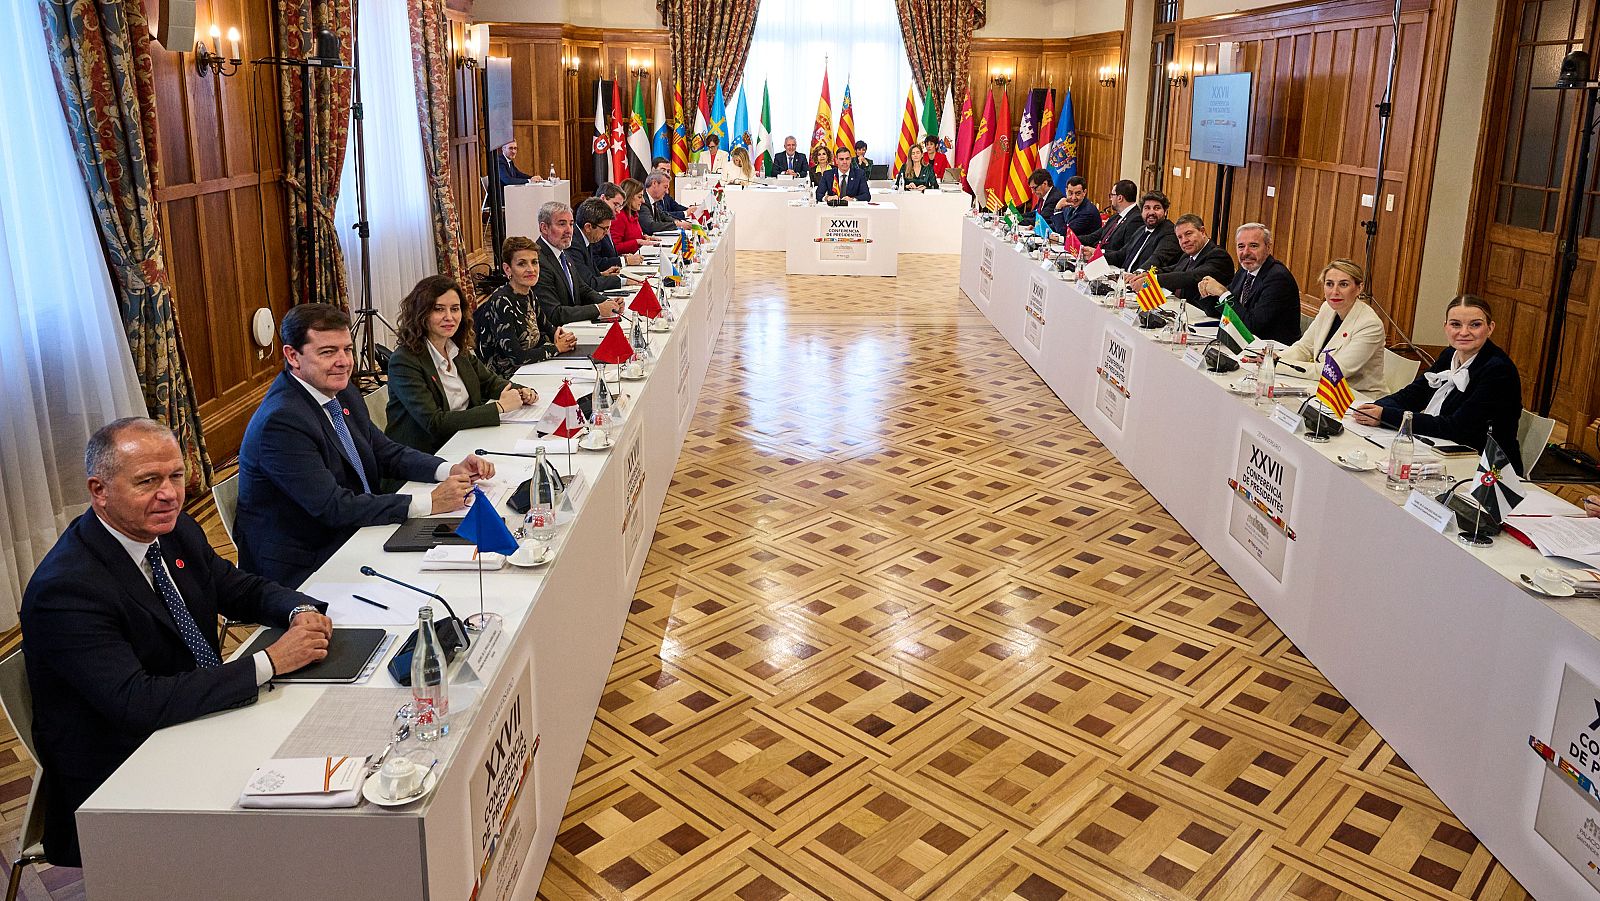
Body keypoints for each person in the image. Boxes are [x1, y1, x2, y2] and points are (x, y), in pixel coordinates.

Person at [22, 417, 334, 866]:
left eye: (176, 476)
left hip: (196, 718)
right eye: (148, 480)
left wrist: (297, 610)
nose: (168, 493)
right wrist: (269, 663)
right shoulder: (67, 589)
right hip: (125, 775)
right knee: (301, 826)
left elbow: (236, 587)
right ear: (99, 490)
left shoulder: (172, 530)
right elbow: (137, 702)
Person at [237, 304, 493, 587]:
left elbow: (384, 451)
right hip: (308, 563)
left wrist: (448, 469)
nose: (344, 362)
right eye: (328, 352)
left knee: (471, 560)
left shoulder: (341, 390)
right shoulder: (282, 422)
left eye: (347, 350)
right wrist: (429, 502)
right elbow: (333, 507)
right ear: (292, 356)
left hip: (357, 530)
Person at [1353, 295, 1524, 469]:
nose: (1464, 332)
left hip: (1486, 468)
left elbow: (1456, 427)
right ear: (1445, 327)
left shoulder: (1499, 370)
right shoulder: (1450, 354)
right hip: (1443, 450)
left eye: (1475, 325)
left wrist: (1386, 415)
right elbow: (1415, 393)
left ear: (1490, 328)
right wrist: (1373, 409)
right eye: (1456, 324)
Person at [386, 276, 534, 454]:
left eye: (455, 309)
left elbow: (490, 383)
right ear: (422, 313)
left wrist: (522, 391)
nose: (449, 317)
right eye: (439, 309)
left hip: (467, 440)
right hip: (426, 455)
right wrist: (499, 407)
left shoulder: (456, 349)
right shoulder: (404, 361)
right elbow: (435, 423)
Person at [1271, 259, 1386, 392]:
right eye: (1329, 284)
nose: (1334, 291)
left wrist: (1279, 364)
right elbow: (1304, 348)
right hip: (1322, 388)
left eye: (1343, 284)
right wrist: (1273, 358)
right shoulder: (1327, 308)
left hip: (1357, 397)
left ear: (1359, 288)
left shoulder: (1370, 325)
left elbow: (1334, 372)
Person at [474, 236, 578, 378]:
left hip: (531, 368)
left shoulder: (529, 293)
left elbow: (548, 328)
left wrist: (561, 336)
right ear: (507, 269)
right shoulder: (501, 301)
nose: (531, 269)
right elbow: (516, 357)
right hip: (507, 378)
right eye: (522, 264)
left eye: (534, 262)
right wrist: (557, 348)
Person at [1196, 223, 1302, 345]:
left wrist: (1223, 293)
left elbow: (1250, 326)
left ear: (1268, 247)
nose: (1246, 252)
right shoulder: (1244, 270)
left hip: (1270, 352)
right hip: (1244, 344)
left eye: (1253, 246)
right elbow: (1220, 312)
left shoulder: (1278, 278)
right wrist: (1207, 293)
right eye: (1241, 246)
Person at [535, 200, 623, 326]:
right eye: (561, 224)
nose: (568, 230)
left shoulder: (562, 252)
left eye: (571, 224)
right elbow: (554, 313)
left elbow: (582, 289)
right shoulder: (537, 260)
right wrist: (598, 309)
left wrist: (608, 302)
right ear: (544, 228)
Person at [1127, 214, 1233, 308]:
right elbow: (1172, 270)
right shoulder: (1188, 255)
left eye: (1188, 234)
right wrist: (1145, 274)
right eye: (1180, 237)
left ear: (1202, 232)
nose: (1184, 241)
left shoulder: (1218, 256)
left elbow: (1190, 276)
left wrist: (1151, 280)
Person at [1107, 191, 1181, 272]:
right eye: (1147, 208)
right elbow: (1121, 255)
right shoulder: (1141, 230)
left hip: (1143, 281)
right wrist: (1095, 257)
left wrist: (1137, 274)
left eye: (1157, 208)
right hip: (1124, 278)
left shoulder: (1169, 232)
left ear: (1165, 212)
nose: (1151, 212)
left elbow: (1157, 259)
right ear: (1141, 212)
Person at [570, 197, 625, 290]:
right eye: (604, 228)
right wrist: (621, 281)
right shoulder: (573, 244)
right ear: (588, 227)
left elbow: (588, 275)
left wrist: (602, 274)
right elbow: (588, 284)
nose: (606, 233)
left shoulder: (587, 238)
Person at [1081, 179, 1142, 252]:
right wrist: (1066, 239)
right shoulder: (1116, 216)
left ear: (1120, 198)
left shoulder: (1136, 220)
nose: (1110, 199)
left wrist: (1098, 252)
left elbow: (1125, 253)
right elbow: (1094, 236)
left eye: (1112, 195)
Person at [612, 179, 649, 254]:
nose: (643, 201)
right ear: (629, 197)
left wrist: (644, 238)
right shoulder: (619, 216)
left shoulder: (633, 214)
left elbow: (630, 237)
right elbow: (614, 248)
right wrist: (637, 242)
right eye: (639, 197)